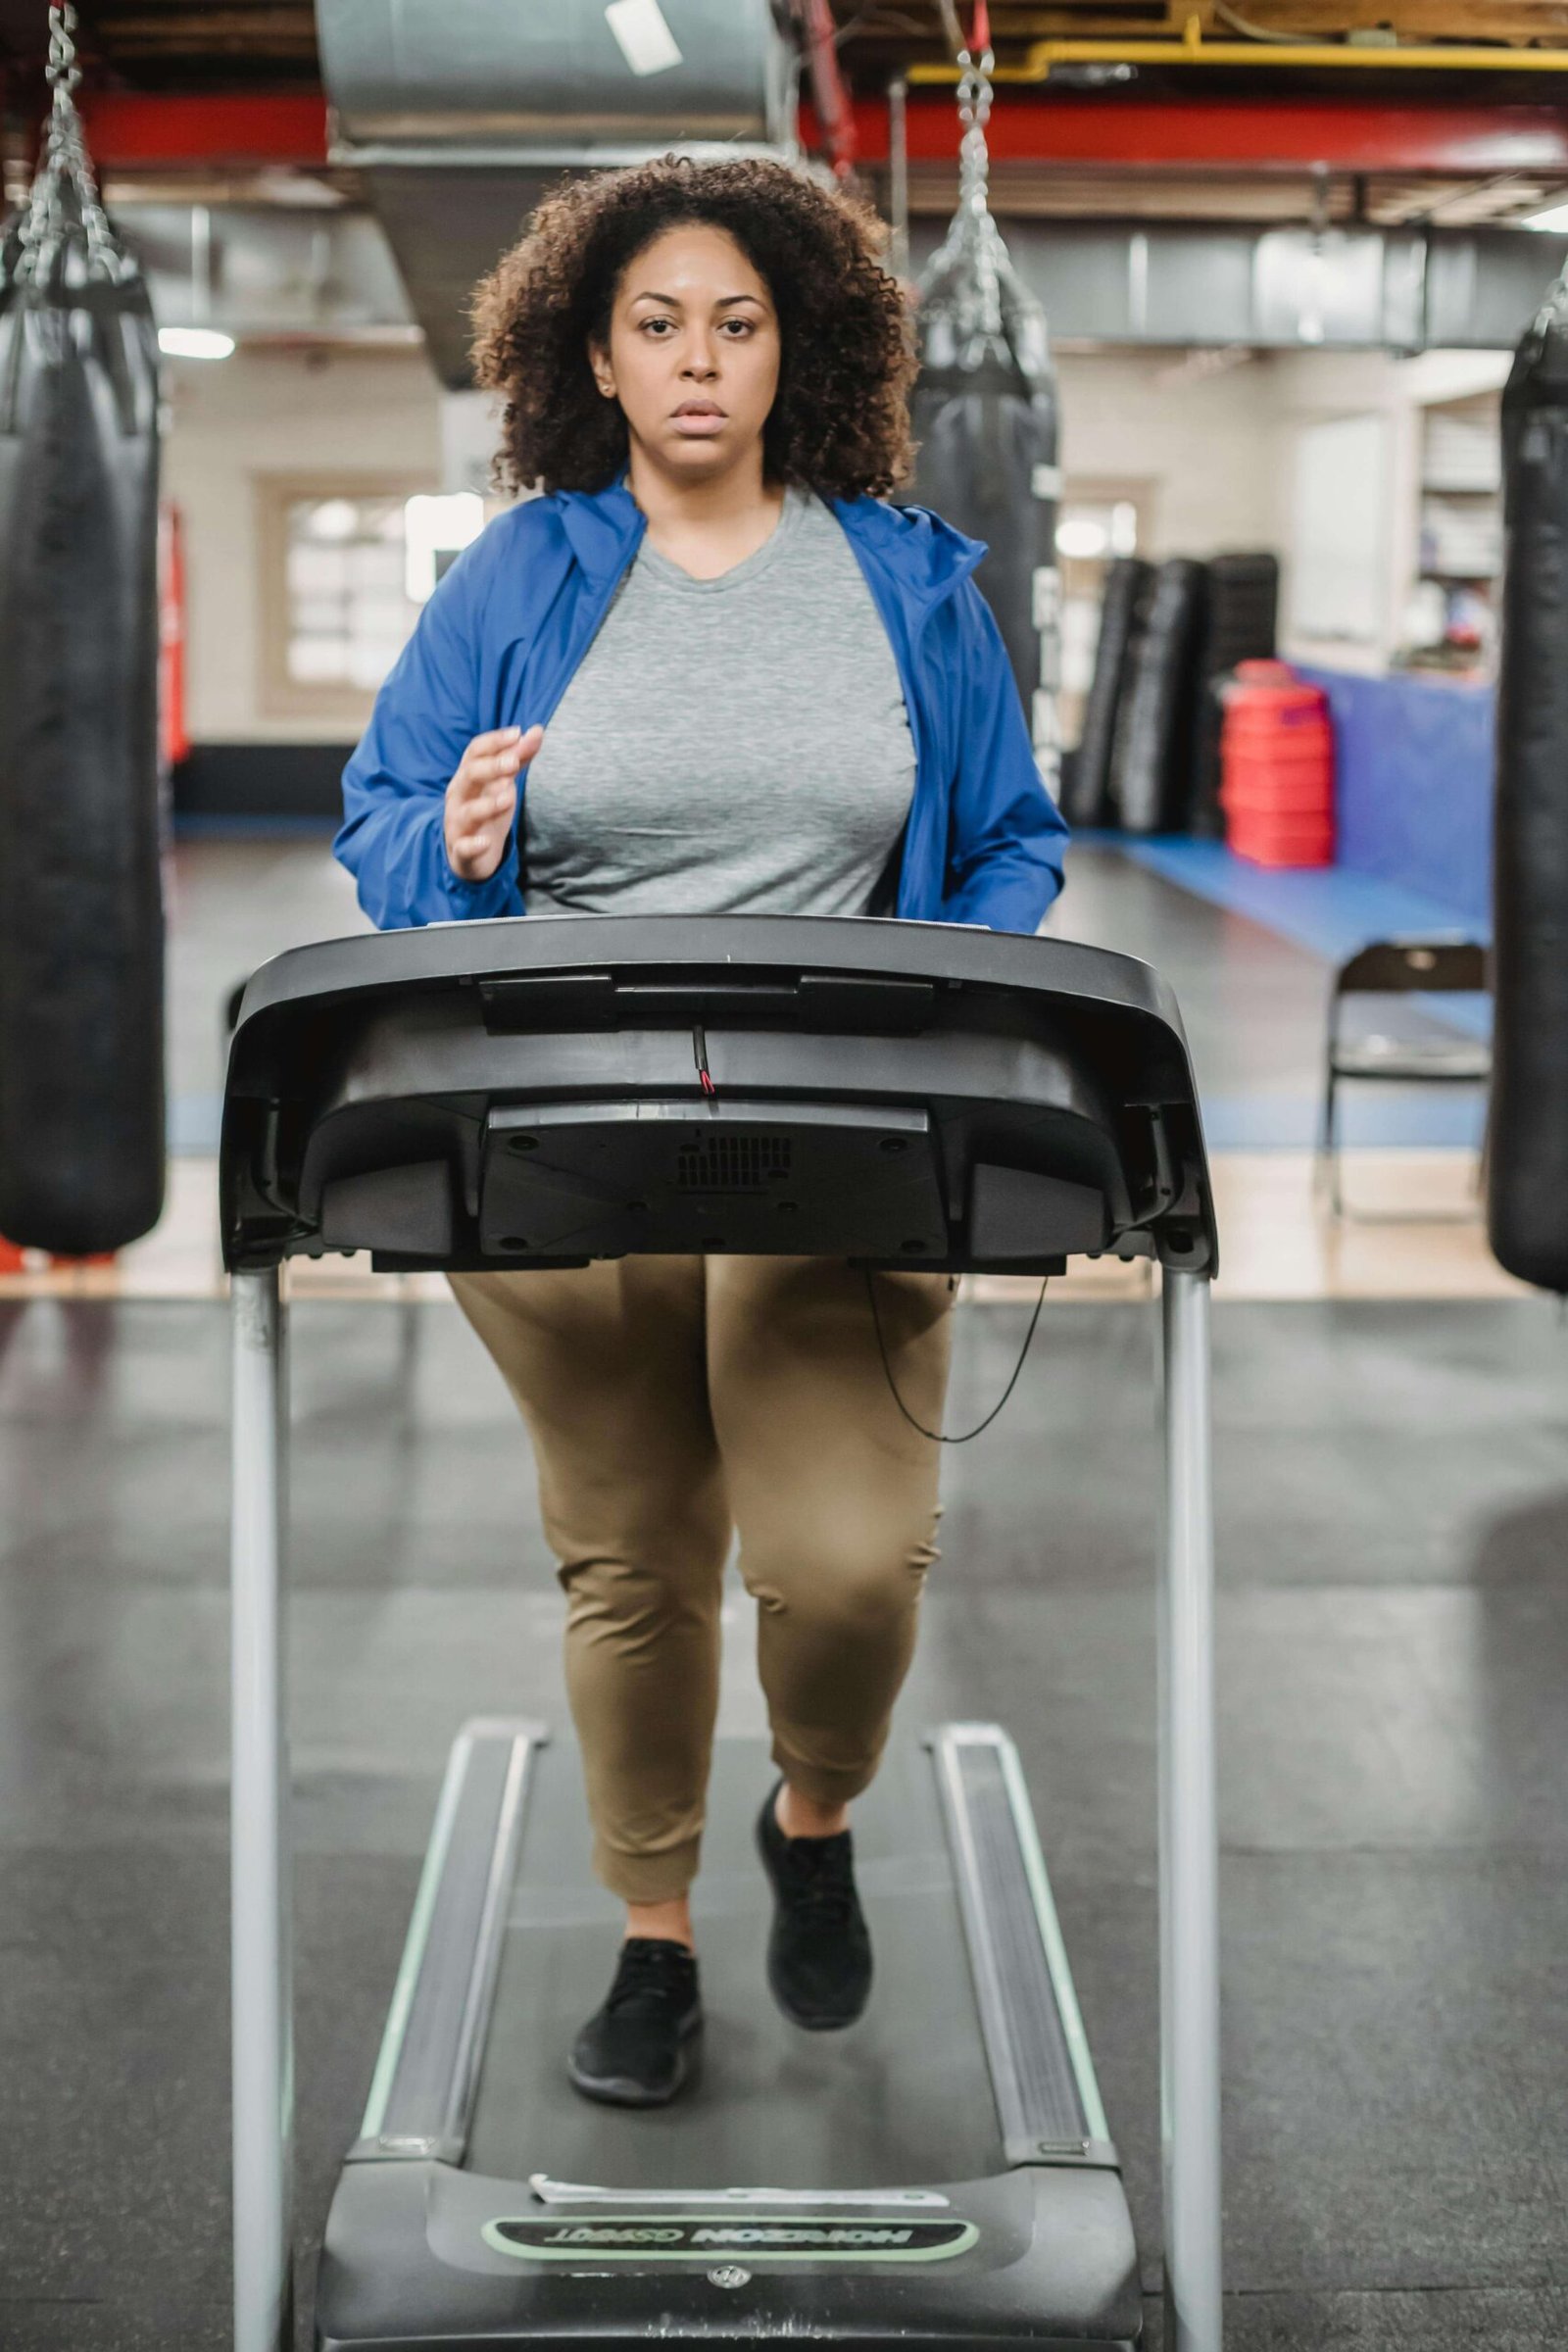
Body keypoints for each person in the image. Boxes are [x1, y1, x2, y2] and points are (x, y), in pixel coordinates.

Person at [335, 155, 1067, 2109]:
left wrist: (931, 975)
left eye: (734, 322)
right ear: (594, 350)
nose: (695, 361)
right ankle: (650, 1937)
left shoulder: (905, 579)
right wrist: (457, 844)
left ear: (788, 347)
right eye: (656, 322)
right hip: (564, 1130)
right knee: (635, 1562)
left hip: (831, 1138)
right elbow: (387, 821)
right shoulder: (515, 575)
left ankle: (808, 1818)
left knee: (841, 1569)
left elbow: (1010, 839)